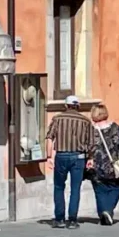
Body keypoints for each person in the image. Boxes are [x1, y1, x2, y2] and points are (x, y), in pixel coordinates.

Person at [45, 95, 95, 229]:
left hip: (61, 156)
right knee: (75, 189)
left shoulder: (57, 119)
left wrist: (49, 157)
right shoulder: (86, 121)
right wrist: (90, 158)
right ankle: (72, 220)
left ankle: (59, 219)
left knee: (59, 187)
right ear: (78, 106)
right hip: (78, 157)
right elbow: (91, 142)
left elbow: (49, 138)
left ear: (66, 106)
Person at [89, 104, 119, 226]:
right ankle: (108, 210)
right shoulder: (115, 128)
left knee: (99, 191)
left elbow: (86, 148)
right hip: (113, 166)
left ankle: (103, 214)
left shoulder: (90, 131)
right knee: (116, 188)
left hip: (96, 167)